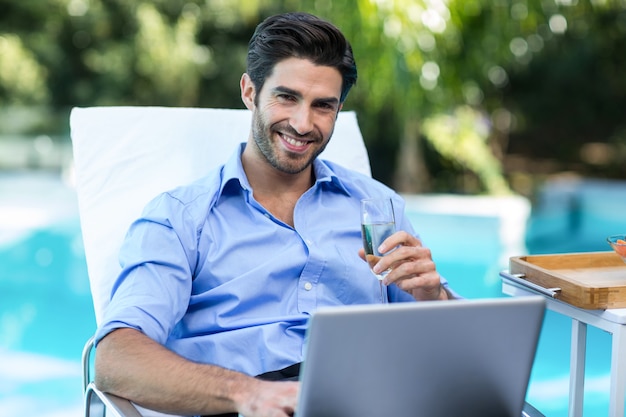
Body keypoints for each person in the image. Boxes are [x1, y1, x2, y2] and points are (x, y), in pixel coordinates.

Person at [94, 11, 457, 417]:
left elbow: (442, 357)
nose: (303, 124)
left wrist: (433, 296)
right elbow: (114, 360)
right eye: (287, 97)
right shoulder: (179, 219)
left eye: (323, 106)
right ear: (250, 91)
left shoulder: (376, 206)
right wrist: (247, 394)